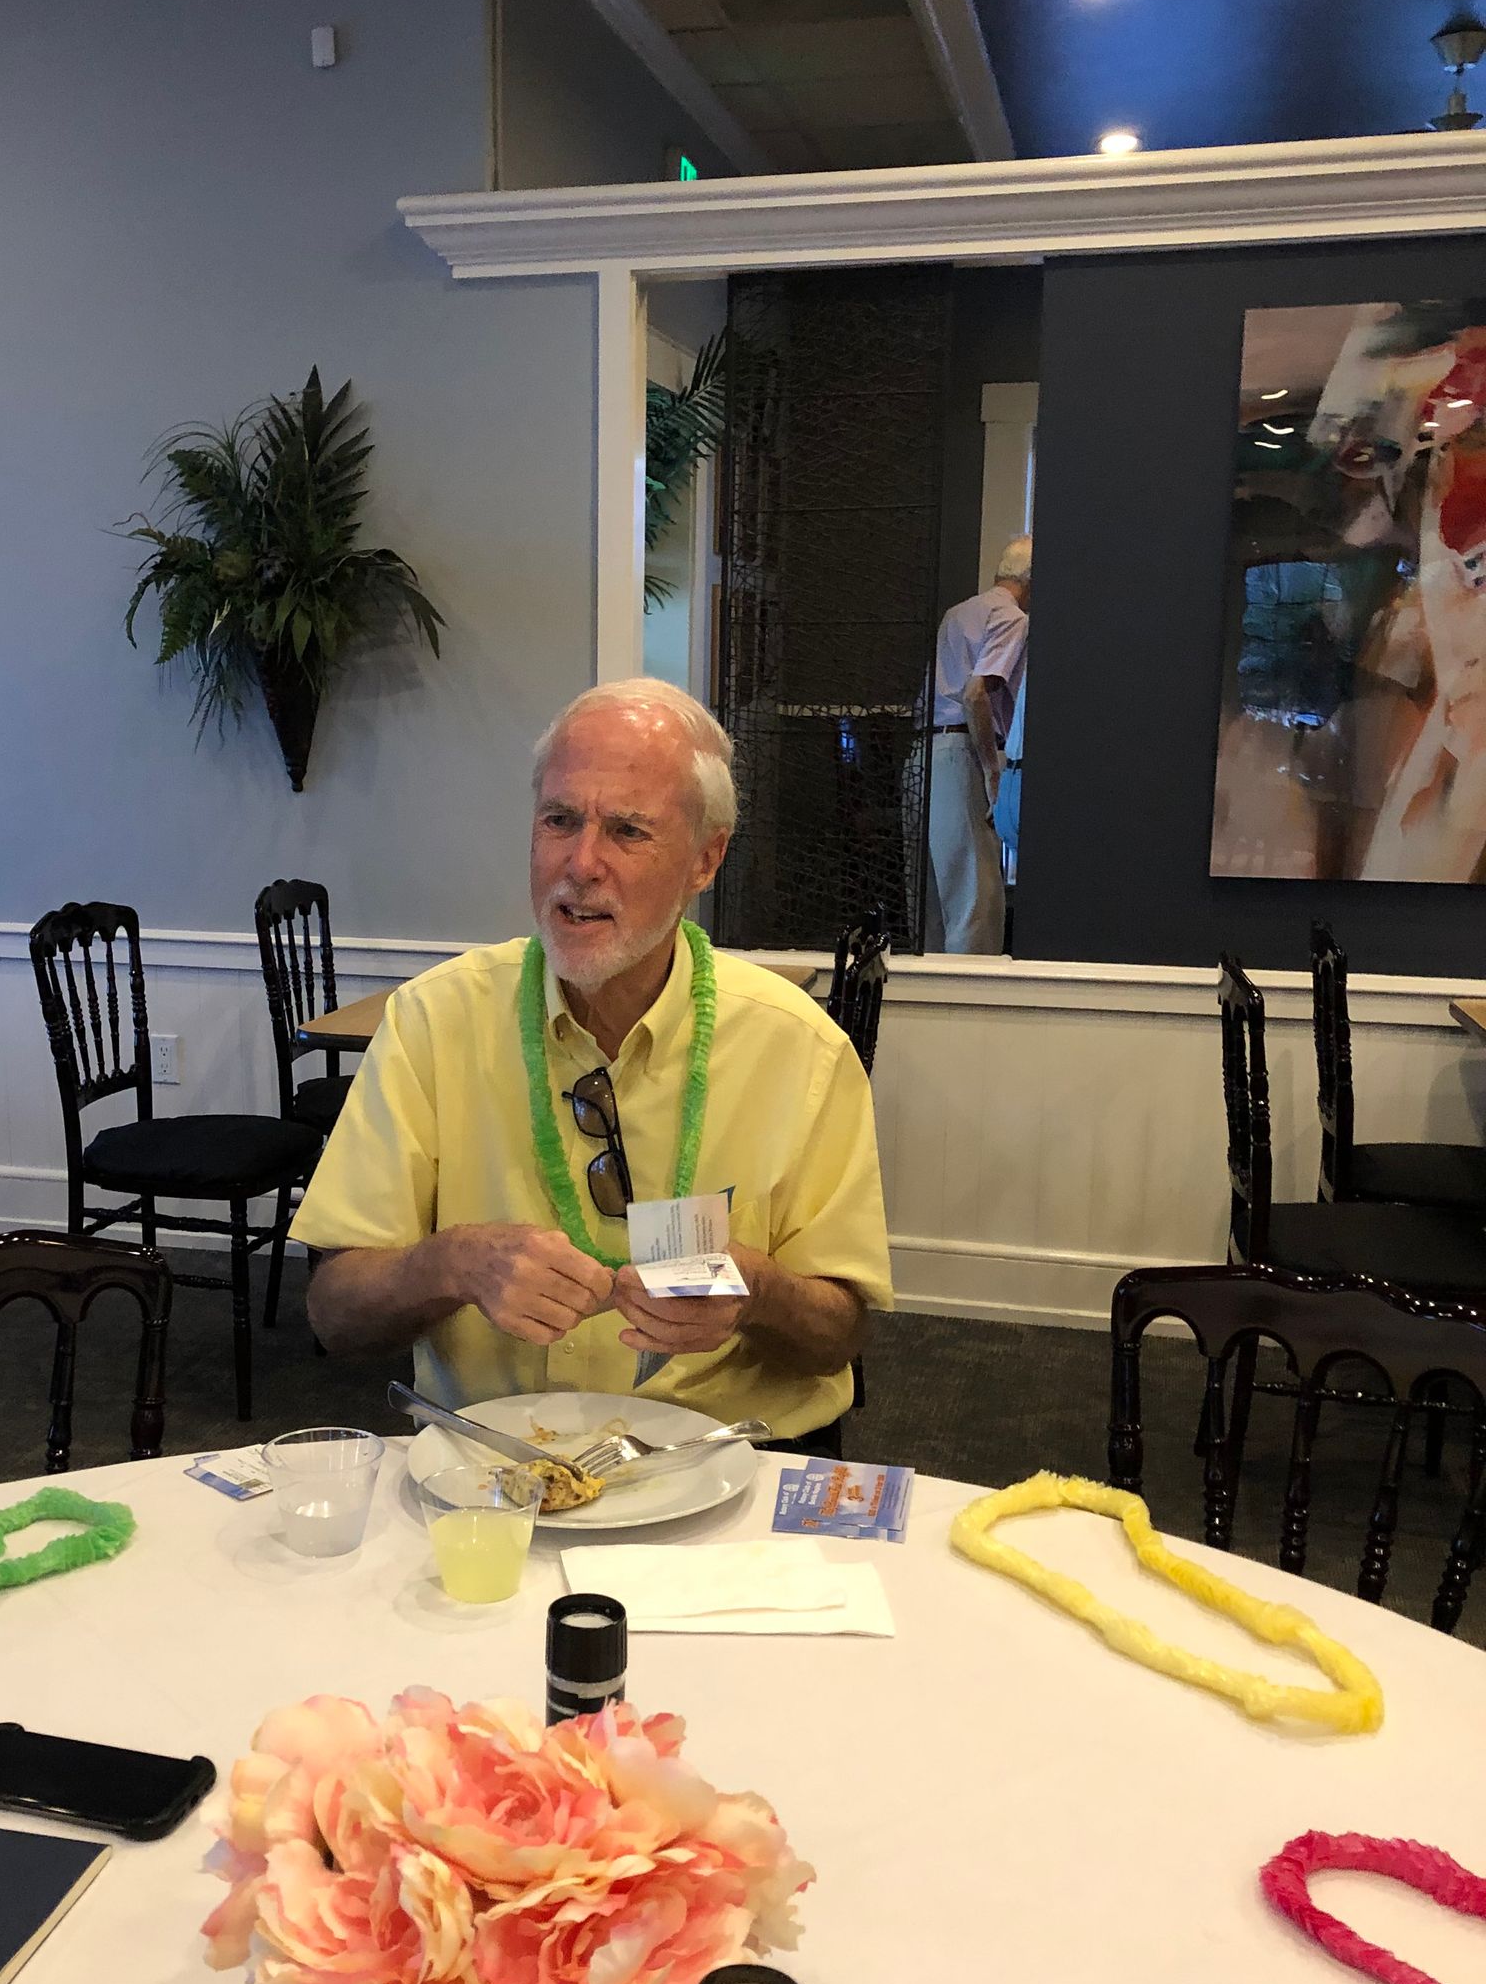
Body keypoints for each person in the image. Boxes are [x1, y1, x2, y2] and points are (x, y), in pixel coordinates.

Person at [293, 678, 892, 1447]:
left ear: (705, 859)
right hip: (496, 1474)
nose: (581, 864)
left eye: (628, 831)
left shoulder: (799, 1047)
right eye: (559, 820)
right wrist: (451, 1265)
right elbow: (334, 1314)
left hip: (728, 1470)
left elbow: (840, 1336)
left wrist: (757, 1291)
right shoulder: (434, 1022)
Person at [924, 534, 1031, 953]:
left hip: (926, 753)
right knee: (976, 902)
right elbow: (975, 693)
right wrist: (992, 770)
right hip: (959, 753)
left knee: (936, 905)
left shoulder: (959, 613)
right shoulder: (1013, 619)